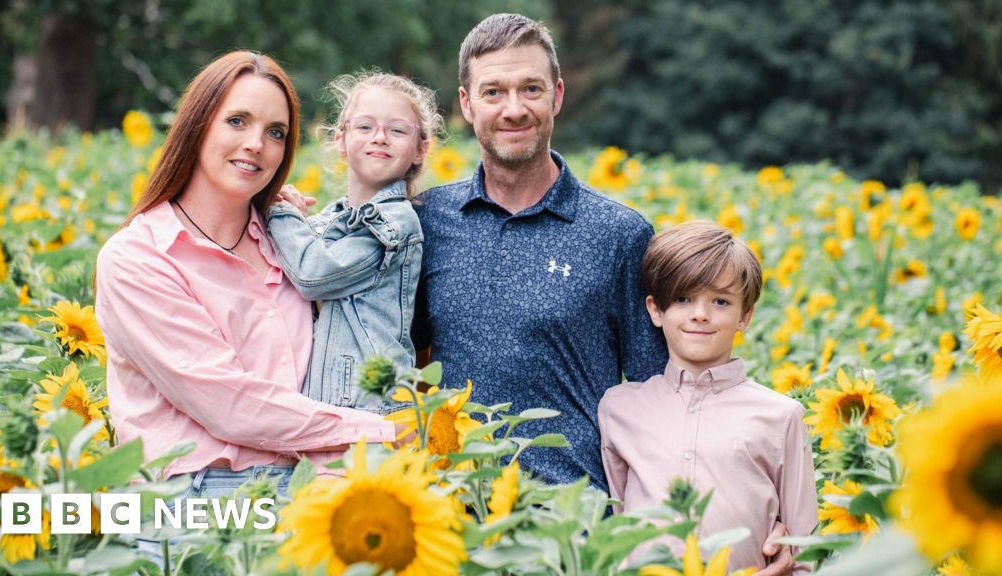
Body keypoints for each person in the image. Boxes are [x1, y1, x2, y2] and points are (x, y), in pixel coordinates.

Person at [414, 14, 796, 575]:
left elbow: (670, 395)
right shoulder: (428, 221)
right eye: (494, 91)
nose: (513, 108)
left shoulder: (616, 234)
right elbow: (394, 357)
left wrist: (755, 505)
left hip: (574, 528)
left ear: (558, 96)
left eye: (531, 89)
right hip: (444, 521)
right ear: (467, 104)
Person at [95, 51, 397, 500]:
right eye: (237, 121)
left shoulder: (292, 245)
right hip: (192, 497)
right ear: (198, 126)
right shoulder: (139, 258)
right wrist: (385, 432)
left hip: (308, 477)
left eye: (275, 132)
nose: (257, 143)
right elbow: (231, 406)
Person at [599, 221, 818, 573]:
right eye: (683, 299)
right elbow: (618, 521)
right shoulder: (619, 408)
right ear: (656, 310)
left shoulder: (781, 416)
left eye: (720, 301)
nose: (700, 314)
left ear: (744, 316)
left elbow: (804, 550)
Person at [266, 72, 441, 414]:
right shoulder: (335, 217)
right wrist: (294, 216)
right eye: (364, 127)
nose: (380, 137)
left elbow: (314, 271)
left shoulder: (396, 223)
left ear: (420, 149)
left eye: (397, 130)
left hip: (372, 407)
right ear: (341, 139)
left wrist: (280, 212)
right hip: (332, 404)